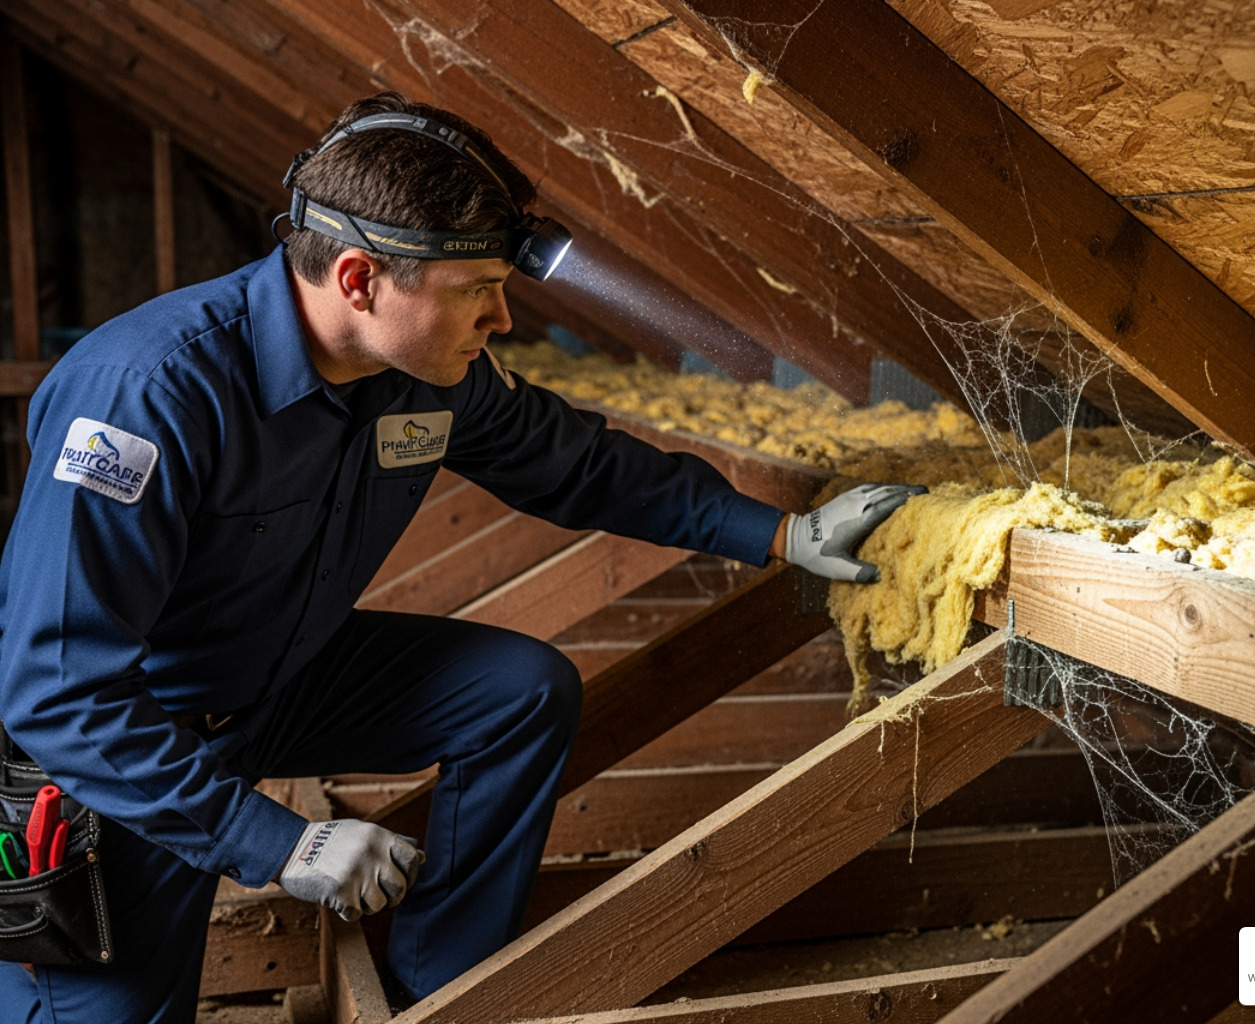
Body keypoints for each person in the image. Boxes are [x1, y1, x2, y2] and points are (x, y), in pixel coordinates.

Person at [0, 92, 921, 1023]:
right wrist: (283, 845)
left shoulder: (424, 372)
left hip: (277, 680)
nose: (503, 318)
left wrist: (777, 535)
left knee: (517, 692)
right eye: (479, 288)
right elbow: (57, 695)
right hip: (126, 754)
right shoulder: (145, 395)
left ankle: (438, 992)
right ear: (359, 280)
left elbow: (575, 464)